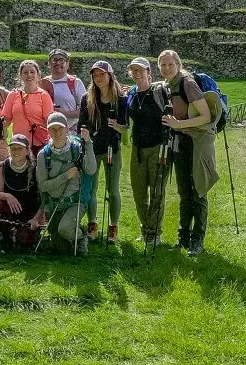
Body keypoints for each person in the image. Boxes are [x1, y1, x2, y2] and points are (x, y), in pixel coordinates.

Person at [158, 49, 220, 256]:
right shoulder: (169, 85)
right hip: (181, 142)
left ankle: (197, 241)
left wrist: (178, 124)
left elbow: (206, 116)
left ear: (178, 64)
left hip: (198, 142)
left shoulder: (188, 84)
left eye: (170, 64)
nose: (166, 68)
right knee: (184, 192)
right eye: (163, 65)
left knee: (198, 191)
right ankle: (183, 238)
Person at [79, 60, 128, 244]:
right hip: (92, 148)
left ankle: (113, 227)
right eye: (95, 75)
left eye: (102, 74)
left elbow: (126, 126)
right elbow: (81, 124)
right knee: (91, 189)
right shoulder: (87, 98)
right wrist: (84, 136)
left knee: (113, 189)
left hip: (112, 148)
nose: (99, 78)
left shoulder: (121, 99)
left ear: (110, 76)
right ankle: (92, 224)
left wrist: (119, 127)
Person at [126, 57, 172, 249]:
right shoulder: (131, 94)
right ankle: (145, 229)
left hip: (158, 147)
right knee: (138, 193)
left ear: (148, 72)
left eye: (140, 70)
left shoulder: (159, 91)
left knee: (157, 192)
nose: (137, 74)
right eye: (133, 71)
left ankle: (154, 233)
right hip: (137, 148)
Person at [35, 111, 96, 255]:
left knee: (63, 229)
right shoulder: (43, 155)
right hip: (54, 204)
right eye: (52, 129)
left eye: (60, 128)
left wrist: (88, 143)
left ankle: (81, 237)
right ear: (48, 130)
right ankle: (72, 231)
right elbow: (43, 186)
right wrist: (65, 176)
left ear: (67, 129)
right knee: (60, 248)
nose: (57, 132)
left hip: (75, 201)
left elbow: (91, 170)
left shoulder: (78, 148)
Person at [0, 134, 44, 251]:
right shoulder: (3, 166)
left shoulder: (36, 168)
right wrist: (8, 196)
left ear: (27, 150)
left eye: (19, 148)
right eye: (13, 148)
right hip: (8, 208)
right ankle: (4, 234)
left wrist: (37, 218)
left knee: (25, 242)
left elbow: (43, 197)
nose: (15, 151)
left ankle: (27, 233)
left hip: (29, 208)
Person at [1, 59, 54, 153]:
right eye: (25, 72)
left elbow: (49, 123)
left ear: (38, 75)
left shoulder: (44, 96)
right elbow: (6, 121)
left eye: (32, 72)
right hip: (19, 143)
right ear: (20, 75)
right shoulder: (13, 95)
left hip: (40, 144)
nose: (29, 75)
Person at [40, 48, 87, 126]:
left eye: (61, 60)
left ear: (67, 64)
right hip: (47, 130)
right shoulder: (42, 83)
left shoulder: (75, 82)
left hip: (71, 130)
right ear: (49, 64)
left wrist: (65, 113)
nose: (57, 63)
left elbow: (86, 110)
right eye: (54, 60)